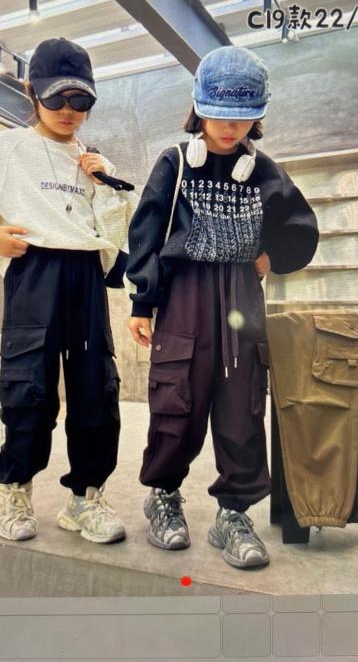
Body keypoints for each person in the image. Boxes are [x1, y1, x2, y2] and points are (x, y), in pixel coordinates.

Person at [126, 45, 319, 569]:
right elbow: (146, 233)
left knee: (243, 412)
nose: (230, 128)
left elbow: (302, 229)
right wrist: (142, 302)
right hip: (184, 299)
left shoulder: (264, 172)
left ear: (257, 116)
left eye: (242, 117)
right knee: (176, 405)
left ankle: (233, 514)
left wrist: (270, 258)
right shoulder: (175, 164)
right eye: (219, 115)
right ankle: (164, 497)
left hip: (241, 302)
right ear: (198, 108)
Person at [0, 37, 130, 545]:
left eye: (80, 100)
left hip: (85, 276)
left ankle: (86, 497)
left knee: (97, 391)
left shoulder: (94, 160)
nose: (68, 110)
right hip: (35, 272)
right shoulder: (10, 147)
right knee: (30, 391)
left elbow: (115, 239)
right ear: (32, 92)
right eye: (55, 98)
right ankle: (13, 488)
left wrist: (105, 186)